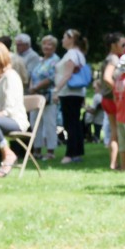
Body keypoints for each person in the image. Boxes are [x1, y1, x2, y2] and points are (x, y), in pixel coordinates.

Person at [0, 41, 29, 177]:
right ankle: (7, 153)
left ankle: (8, 154)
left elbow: (9, 110)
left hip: (15, 121)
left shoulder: (11, 77)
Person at [52, 28, 89, 164]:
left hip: (69, 93)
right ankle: (77, 152)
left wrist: (56, 89)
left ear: (71, 39)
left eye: (64, 37)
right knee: (75, 123)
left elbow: (67, 74)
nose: (62, 40)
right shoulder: (79, 54)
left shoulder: (72, 54)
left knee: (70, 124)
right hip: (76, 93)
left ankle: (70, 153)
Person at [28, 35, 60, 160]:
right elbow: (33, 75)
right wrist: (32, 87)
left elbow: (51, 77)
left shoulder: (55, 60)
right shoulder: (40, 60)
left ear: (54, 47)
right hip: (36, 95)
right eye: (44, 44)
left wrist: (35, 87)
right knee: (34, 122)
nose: (46, 46)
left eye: (49, 44)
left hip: (49, 96)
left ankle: (50, 151)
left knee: (49, 123)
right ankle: (36, 150)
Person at [100, 32, 125, 170]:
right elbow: (106, 77)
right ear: (113, 45)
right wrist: (117, 91)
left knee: (114, 130)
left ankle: (114, 163)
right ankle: (114, 163)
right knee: (117, 132)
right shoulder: (114, 59)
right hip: (112, 100)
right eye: (122, 44)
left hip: (106, 99)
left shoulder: (110, 57)